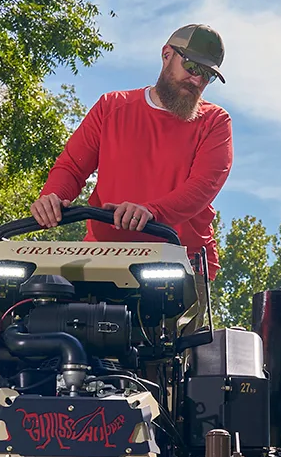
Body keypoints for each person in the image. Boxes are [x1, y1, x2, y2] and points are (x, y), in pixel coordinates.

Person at [30, 25, 233, 327]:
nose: (197, 80)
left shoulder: (215, 122)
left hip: (179, 263)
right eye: (192, 67)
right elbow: (72, 166)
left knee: (179, 355)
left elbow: (204, 186)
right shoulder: (111, 107)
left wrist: (152, 212)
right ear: (167, 55)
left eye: (207, 75)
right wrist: (53, 196)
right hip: (102, 259)